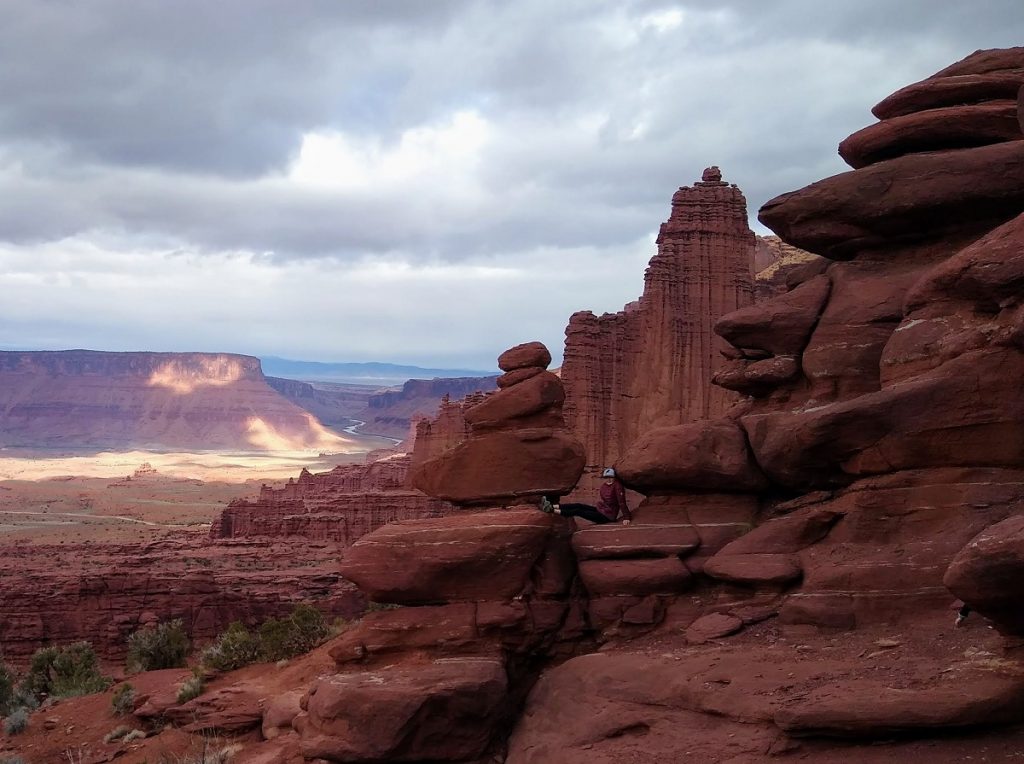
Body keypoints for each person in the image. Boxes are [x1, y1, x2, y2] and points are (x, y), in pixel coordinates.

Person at [538, 467, 631, 525]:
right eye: (607, 478)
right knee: (579, 505)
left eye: (611, 477)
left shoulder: (617, 486)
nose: (609, 480)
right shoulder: (605, 486)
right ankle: (552, 505)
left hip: (607, 517)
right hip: (602, 510)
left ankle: (551, 510)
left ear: (614, 477)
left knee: (578, 511)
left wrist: (626, 517)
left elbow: (621, 502)